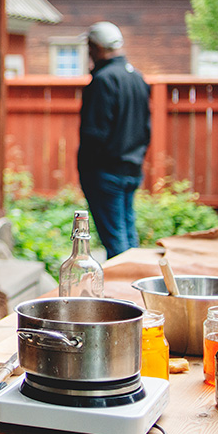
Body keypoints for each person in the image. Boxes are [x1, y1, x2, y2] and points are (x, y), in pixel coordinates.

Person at [77, 22, 151, 259]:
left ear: (97, 47)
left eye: (89, 47)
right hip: (131, 168)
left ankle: (124, 292)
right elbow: (146, 128)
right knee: (128, 236)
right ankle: (134, 287)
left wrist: (86, 168)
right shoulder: (137, 78)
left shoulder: (103, 81)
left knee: (117, 243)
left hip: (106, 172)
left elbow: (94, 133)